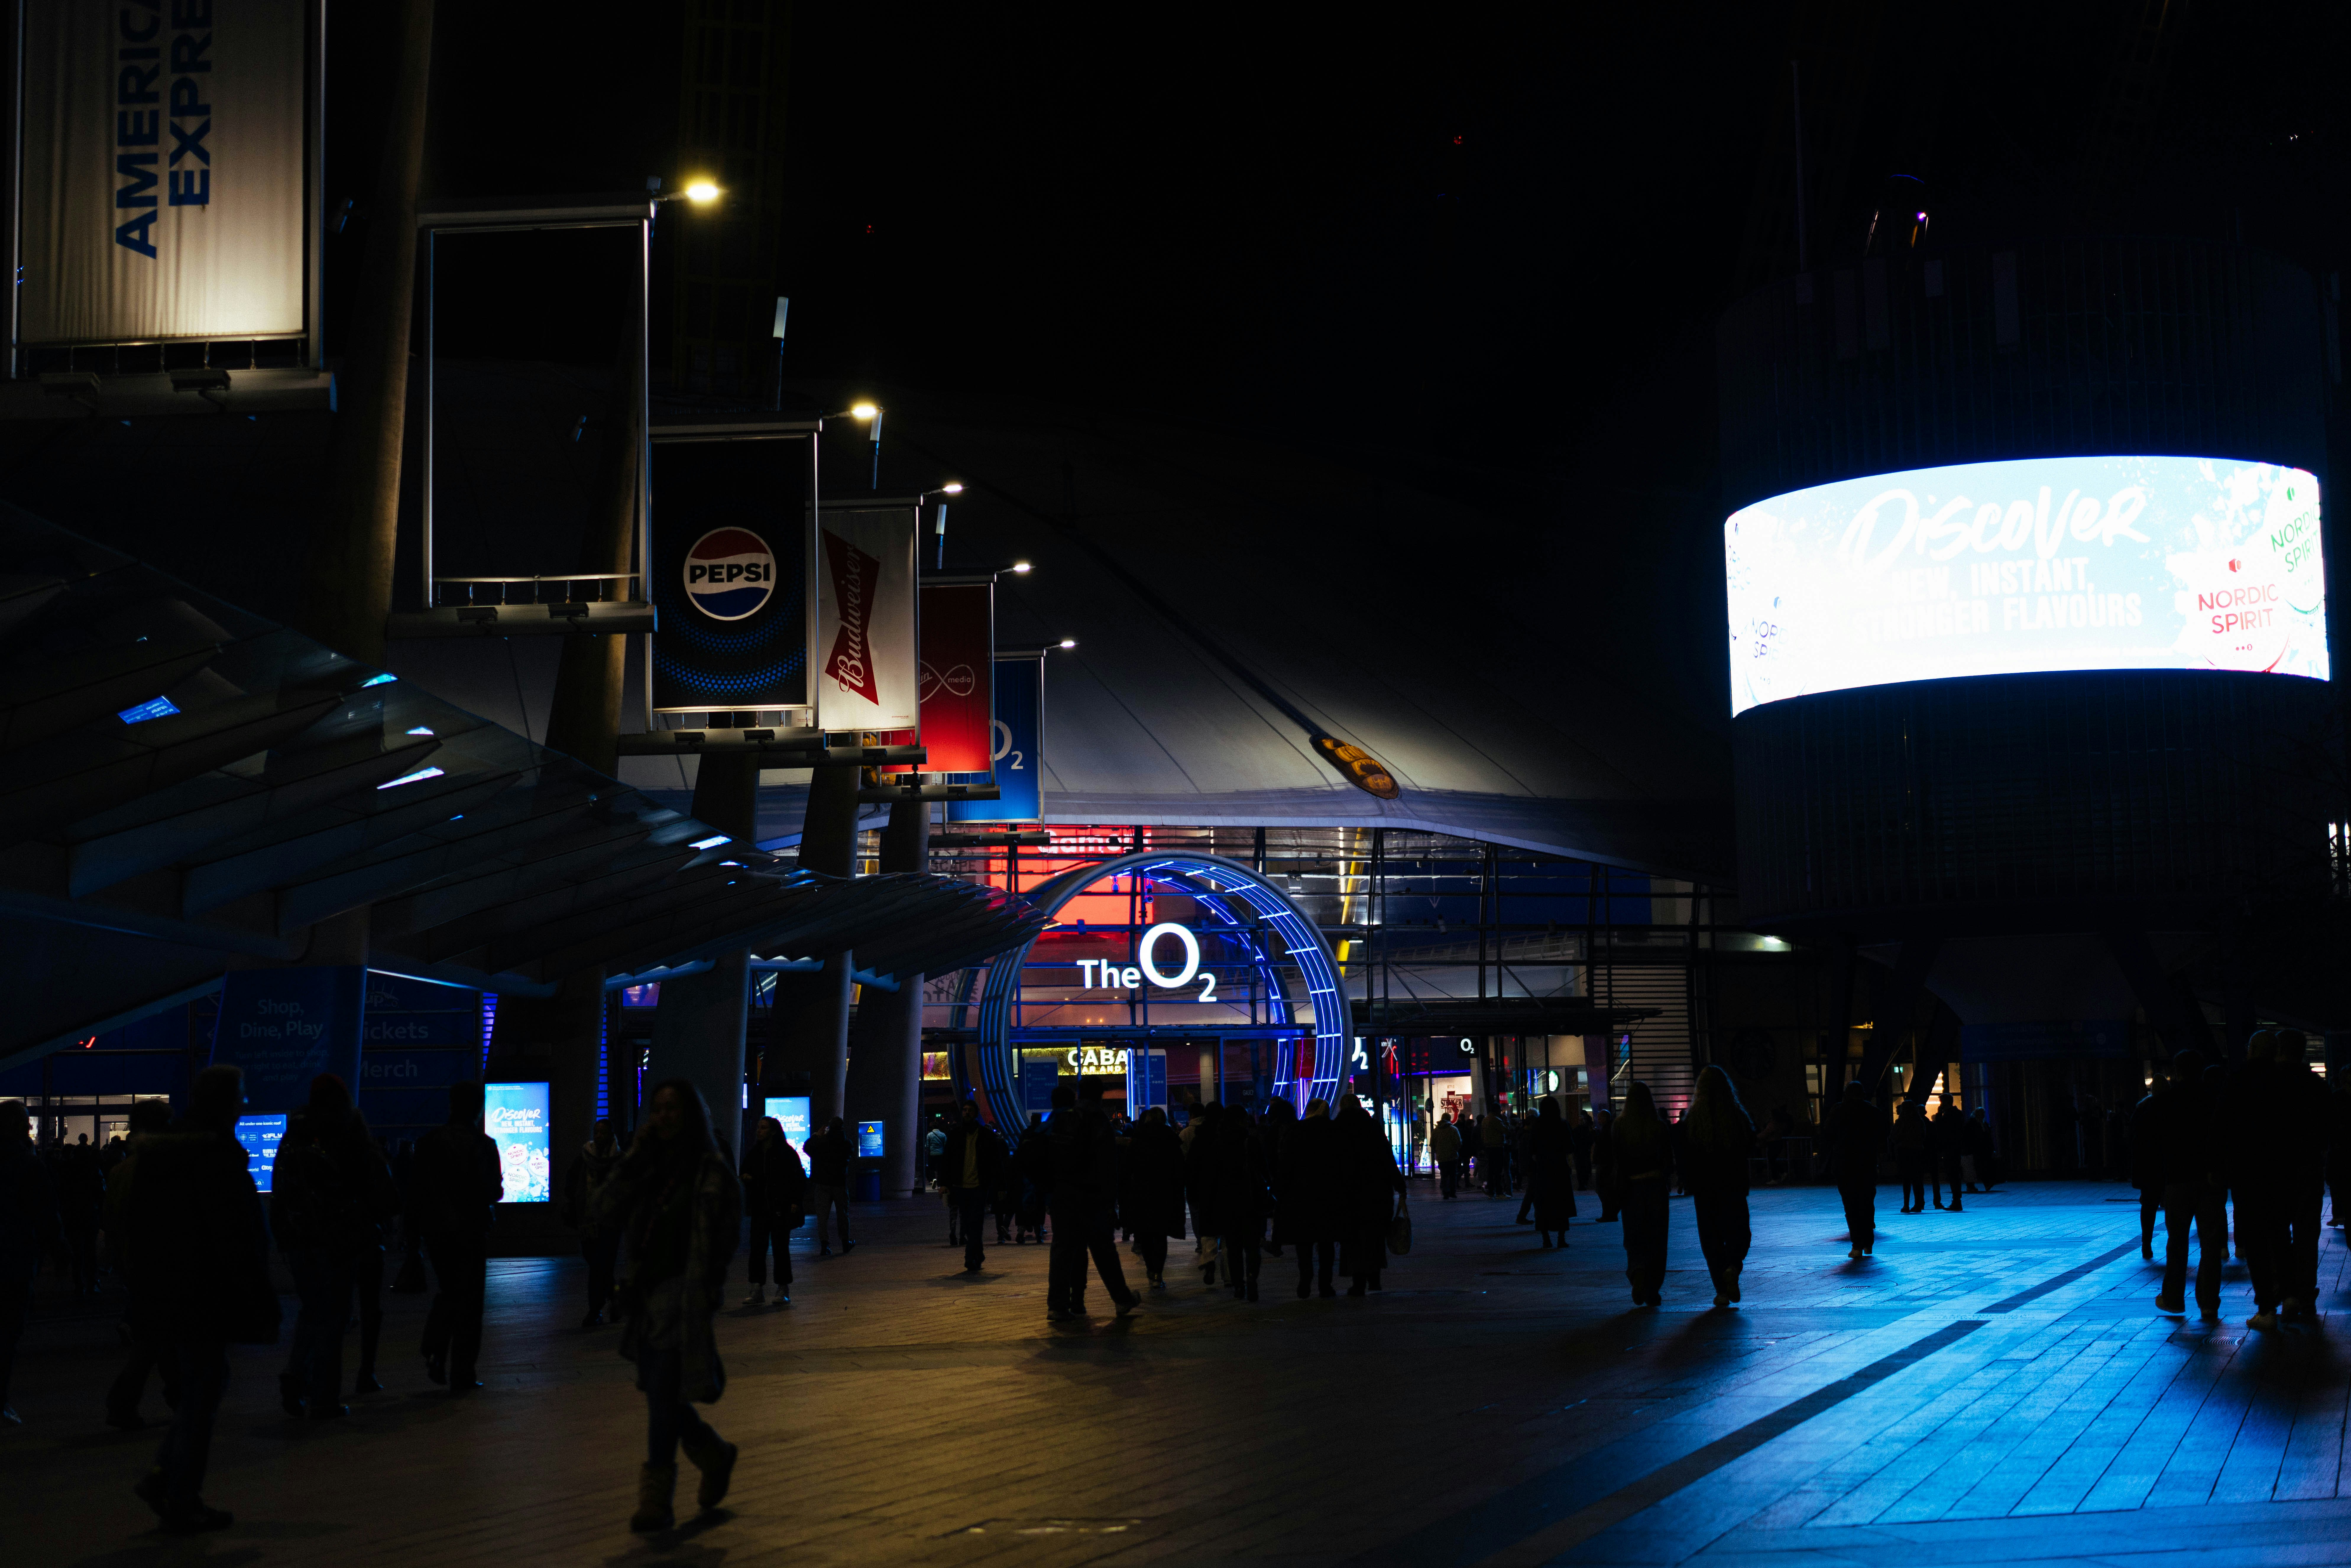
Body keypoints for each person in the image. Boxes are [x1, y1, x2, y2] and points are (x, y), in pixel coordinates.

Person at [124, 1065, 279, 1533]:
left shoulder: (161, 1156)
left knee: (201, 1386)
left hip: (171, 1289)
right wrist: (256, 1291)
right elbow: (234, 1235)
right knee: (205, 1389)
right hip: (208, 1291)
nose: (243, 1106)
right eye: (240, 1097)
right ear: (226, 1103)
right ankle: (180, 1493)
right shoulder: (217, 1156)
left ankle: (167, 1478)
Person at [592, 1080, 741, 1534]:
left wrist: (710, 1286)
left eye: (672, 1109)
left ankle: (656, 1501)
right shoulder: (648, 1165)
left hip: (685, 1296)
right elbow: (601, 1213)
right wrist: (631, 1161)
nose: (663, 1117)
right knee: (664, 1394)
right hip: (647, 1295)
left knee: (660, 1395)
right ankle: (714, 1454)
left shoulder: (711, 1168)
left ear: (691, 1114)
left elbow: (728, 1231)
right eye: (656, 1109)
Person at [269, 1073, 399, 1420]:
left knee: (313, 1310)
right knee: (335, 1317)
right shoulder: (347, 1131)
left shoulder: (294, 1135)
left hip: (296, 1238)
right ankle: (323, 1396)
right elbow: (375, 1188)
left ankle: (296, 1372)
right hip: (337, 1238)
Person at [409, 1080, 503, 1391]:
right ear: (479, 1108)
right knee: (471, 1302)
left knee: (450, 1291)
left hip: (439, 1233)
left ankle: (434, 1348)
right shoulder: (484, 1146)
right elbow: (493, 1190)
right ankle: (462, 1372)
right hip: (472, 1232)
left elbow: (417, 1193)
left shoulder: (430, 1142)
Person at [103, 1099, 179, 1428]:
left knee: (155, 1338)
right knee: (164, 1338)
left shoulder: (122, 1171)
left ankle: (128, 1402)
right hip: (166, 1266)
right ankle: (178, 1396)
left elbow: (112, 1221)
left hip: (139, 1267)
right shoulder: (169, 1167)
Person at [1045, 1084, 1140, 1318]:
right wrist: (1111, 1203)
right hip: (1091, 1196)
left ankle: (1058, 1306)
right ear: (1099, 1097)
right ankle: (1121, 1299)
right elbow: (1107, 1167)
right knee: (1104, 1250)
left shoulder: (1065, 1120)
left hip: (1063, 1196)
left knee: (1063, 1251)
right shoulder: (1098, 1121)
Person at [2151, 1050, 2224, 1321]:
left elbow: (2158, 1144)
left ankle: (2173, 1298)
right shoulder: (2214, 1097)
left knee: (2178, 1241)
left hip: (2178, 1179)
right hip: (2209, 1178)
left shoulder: (2166, 1100)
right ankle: (2208, 1302)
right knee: (2211, 1243)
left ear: (2177, 1071)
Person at [1, 1099, 60, 1426]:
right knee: (8, 1332)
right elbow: (46, 1213)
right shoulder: (27, 1164)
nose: (30, 1129)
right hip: (15, 1261)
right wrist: (57, 1248)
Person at [1682, 1066, 1755, 1306]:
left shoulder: (1693, 1118)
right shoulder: (1736, 1114)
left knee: (1711, 1238)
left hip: (1705, 1189)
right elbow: (1750, 1145)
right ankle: (1733, 1266)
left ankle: (1722, 1291)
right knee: (1739, 1231)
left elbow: (1686, 1156)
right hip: (1734, 1185)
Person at [2278, 1031, 2330, 1320]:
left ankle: (2287, 1293)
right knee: (2306, 1233)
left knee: (2279, 1233)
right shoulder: (2316, 1085)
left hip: (2275, 1169)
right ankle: (2305, 1291)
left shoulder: (2269, 1083)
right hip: (2308, 1168)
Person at [1335, 1094, 1405, 1295]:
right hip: (1376, 1193)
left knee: (1353, 1240)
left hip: (1348, 1194)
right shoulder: (1373, 1127)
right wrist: (1400, 1185)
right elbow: (1387, 1158)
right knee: (1375, 1238)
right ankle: (1375, 1279)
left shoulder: (1337, 1129)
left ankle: (1358, 1283)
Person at [1614, 1083, 1672, 1306]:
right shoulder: (1659, 1126)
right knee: (1657, 1239)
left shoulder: (1619, 1127)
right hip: (1656, 1187)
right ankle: (1653, 1289)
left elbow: (1616, 1160)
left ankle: (1637, 1271)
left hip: (1631, 1188)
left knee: (1635, 1236)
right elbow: (1668, 1161)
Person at [565, 1117, 628, 1324]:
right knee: (599, 1264)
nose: (598, 1136)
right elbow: (571, 1185)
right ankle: (616, 1294)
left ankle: (595, 1311)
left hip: (610, 1223)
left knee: (599, 1265)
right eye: (596, 1132)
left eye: (602, 1133)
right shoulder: (585, 1159)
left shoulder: (619, 1160)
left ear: (611, 1135)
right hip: (589, 1222)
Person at [1276, 1099, 1341, 1297]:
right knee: (1326, 1243)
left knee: (1304, 1242)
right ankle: (1325, 1284)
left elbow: (1285, 1166)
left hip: (1301, 1196)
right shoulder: (1334, 1132)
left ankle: (1305, 1280)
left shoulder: (1296, 1132)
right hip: (1328, 1195)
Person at [739, 1115, 805, 1305]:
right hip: (761, 1208)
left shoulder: (785, 1152)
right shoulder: (756, 1153)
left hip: (779, 1208)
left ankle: (782, 1288)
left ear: (773, 1131)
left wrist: (795, 1201)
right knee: (758, 1249)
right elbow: (745, 1171)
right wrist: (747, 1178)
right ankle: (758, 1288)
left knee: (780, 1249)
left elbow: (797, 1178)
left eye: (764, 1128)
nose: (759, 1131)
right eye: (759, 1127)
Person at [1121, 1106, 1187, 1291]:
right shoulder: (1171, 1140)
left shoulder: (1138, 1140)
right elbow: (1180, 1170)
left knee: (1145, 1234)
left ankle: (1151, 1269)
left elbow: (1126, 1170)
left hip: (1142, 1193)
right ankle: (1158, 1273)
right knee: (1160, 1235)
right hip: (1166, 1194)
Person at [939, 1099, 1007, 1273]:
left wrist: (1000, 1187)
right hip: (961, 1187)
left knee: (975, 1223)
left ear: (976, 1114)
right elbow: (946, 1161)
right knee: (971, 1224)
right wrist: (944, 1184)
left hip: (979, 1187)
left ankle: (970, 1257)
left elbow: (996, 1163)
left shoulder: (986, 1136)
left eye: (970, 1110)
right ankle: (979, 1254)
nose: (966, 1113)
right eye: (964, 1110)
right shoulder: (956, 1135)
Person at [1822, 1080, 1888, 1259]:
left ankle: (1857, 1245)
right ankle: (1868, 1242)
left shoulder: (1839, 1111)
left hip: (1845, 1164)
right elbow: (1883, 1137)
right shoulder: (1873, 1112)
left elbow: (1827, 1134)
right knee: (1867, 1202)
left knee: (1851, 1206)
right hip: (1867, 1163)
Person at [1211, 1105, 1270, 1300]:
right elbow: (1264, 1170)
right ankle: (1252, 1277)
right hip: (1251, 1200)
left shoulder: (1219, 1143)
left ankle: (1238, 1285)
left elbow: (1214, 1177)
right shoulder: (1251, 1140)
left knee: (1234, 1246)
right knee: (1252, 1245)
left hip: (1228, 1201)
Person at [1524, 1097, 1577, 1248]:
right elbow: (1571, 1147)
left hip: (1543, 1169)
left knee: (1544, 1204)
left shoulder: (1537, 1126)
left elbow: (1532, 1149)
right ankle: (1561, 1238)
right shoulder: (1562, 1124)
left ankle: (1546, 1238)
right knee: (1561, 1203)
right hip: (1559, 1168)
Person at [807, 1117, 855, 1256]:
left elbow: (807, 1147)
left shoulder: (821, 1143)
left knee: (822, 1217)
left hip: (822, 1184)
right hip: (840, 1184)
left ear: (829, 1128)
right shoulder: (847, 1144)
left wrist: (818, 1135)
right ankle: (845, 1243)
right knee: (843, 1214)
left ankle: (825, 1245)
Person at [2131, 1071, 2166, 1258]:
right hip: (2167, 1164)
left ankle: (2147, 1243)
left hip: (2147, 1166)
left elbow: (2134, 1137)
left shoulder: (2142, 1108)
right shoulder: (2171, 1107)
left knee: (2149, 1206)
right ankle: (2175, 1243)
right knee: (2173, 1206)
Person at [1013, 1112, 1051, 1244]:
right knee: (1039, 1207)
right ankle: (1038, 1233)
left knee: (1025, 1207)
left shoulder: (1026, 1135)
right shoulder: (1043, 1135)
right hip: (1039, 1176)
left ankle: (1021, 1232)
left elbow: (1019, 1154)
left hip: (1026, 1176)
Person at [1892, 1100, 1930, 1214]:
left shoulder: (1901, 1122)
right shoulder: (1919, 1121)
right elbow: (1923, 1136)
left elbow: (1894, 1136)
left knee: (1906, 1180)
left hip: (1904, 1153)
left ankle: (1906, 1205)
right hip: (1917, 1152)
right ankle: (1918, 1204)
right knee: (1917, 1180)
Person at [1931, 1095, 1968, 1211]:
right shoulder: (1958, 1114)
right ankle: (1957, 1200)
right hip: (1955, 1148)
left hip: (1950, 1148)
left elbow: (1940, 1128)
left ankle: (1956, 1201)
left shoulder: (1949, 1115)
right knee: (1954, 1174)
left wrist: (1938, 1115)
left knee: (1952, 1174)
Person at [1591, 1107, 1620, 1222]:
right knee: (1605, 1190)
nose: (1599, 1121)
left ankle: (1609, 1213)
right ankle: (1610, 1213)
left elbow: (1603, 1145)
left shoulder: (1607, 1130)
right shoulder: (1609, 1128)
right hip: (1606, 1163)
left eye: (1600, 1118)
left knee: (1603, 1189)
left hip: (1605, 1163)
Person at [1429, 1112, 1462, 1200]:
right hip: (1452, 1157)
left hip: (1441, 1157)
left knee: (1444, 1175)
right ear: (1449, 1119)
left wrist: (1438, 1151)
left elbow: (1432, 1144)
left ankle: (1445, 1192)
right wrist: (1455, 1150)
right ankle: (1452, 1192)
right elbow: (1459, 1143)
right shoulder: (1454, 1130)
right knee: (1452, 1175)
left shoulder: (1436, 1131)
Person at [1570, 1109, 1596, 1191]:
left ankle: (1582, 1184)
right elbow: (1591, 1141)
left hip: (1579, 1152)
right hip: (1585, 1152)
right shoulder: (1588, 1130)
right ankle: (1585, 1183)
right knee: (1585, 1168)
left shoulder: (1576, 1130)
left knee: (1580, 1169)